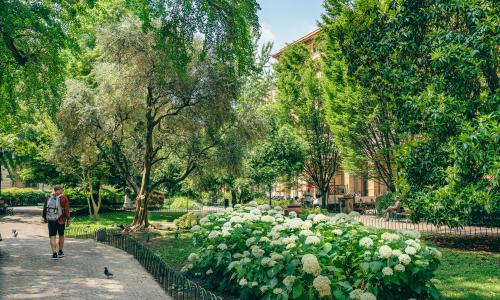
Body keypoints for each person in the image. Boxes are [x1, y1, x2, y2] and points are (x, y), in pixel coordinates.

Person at [42, 186, 70, 259]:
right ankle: (60, 251)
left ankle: (54, 253)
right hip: (61, 220)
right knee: (61, 235)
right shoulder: (64, 198)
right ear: (61, 190)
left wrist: (45, 218)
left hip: (51, 220)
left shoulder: (49, 198)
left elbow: (45, 208)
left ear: (54, 190)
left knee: (52, 236)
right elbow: (67, 210)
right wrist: (68, 220)